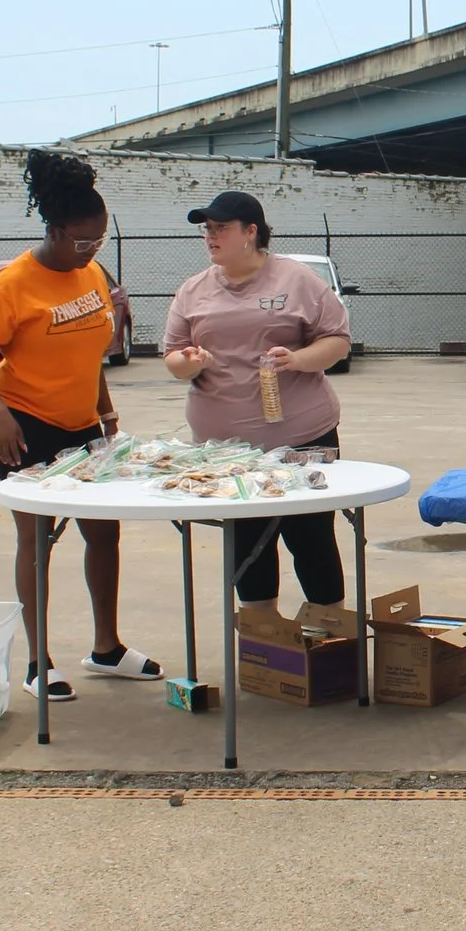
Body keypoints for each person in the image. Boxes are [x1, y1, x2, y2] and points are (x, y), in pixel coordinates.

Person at [0, 149, 162, 701]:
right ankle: (38, 662)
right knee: (36, 538)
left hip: (82, 423)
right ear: (53, 231)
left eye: (99, 239)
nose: (92, 249)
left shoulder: (93, 274)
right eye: (82, 241)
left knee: (104, 530)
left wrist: (106, 416)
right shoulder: (13, 284)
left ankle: (107, 647)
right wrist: (1, 417)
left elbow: (92, 355)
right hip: (24, 424)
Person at [163, 190, 353, 621]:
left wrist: (298, 359)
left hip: (302, 433)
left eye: (221, 228)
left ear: (251, 232)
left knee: (310, 534)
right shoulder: (194, 290)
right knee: (247, 539)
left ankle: (328, 634)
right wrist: (189, 363)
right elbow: (173, 354)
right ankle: (263, 638)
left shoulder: (296, 279)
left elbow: (336, 340)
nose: (210, 237)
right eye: (206, 230)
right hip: (225, 446)